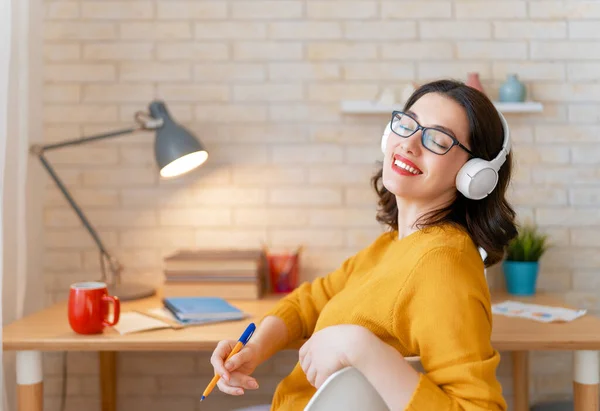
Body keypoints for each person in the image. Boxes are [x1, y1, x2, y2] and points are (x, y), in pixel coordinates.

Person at [210, 79, 518, 411]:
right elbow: (309, 302)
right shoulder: (393, 246)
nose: (410, 144)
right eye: (407, 124)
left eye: (438, 140)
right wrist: (254, 348)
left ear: (473, 174)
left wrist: (360, 347)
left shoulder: (443, 264)